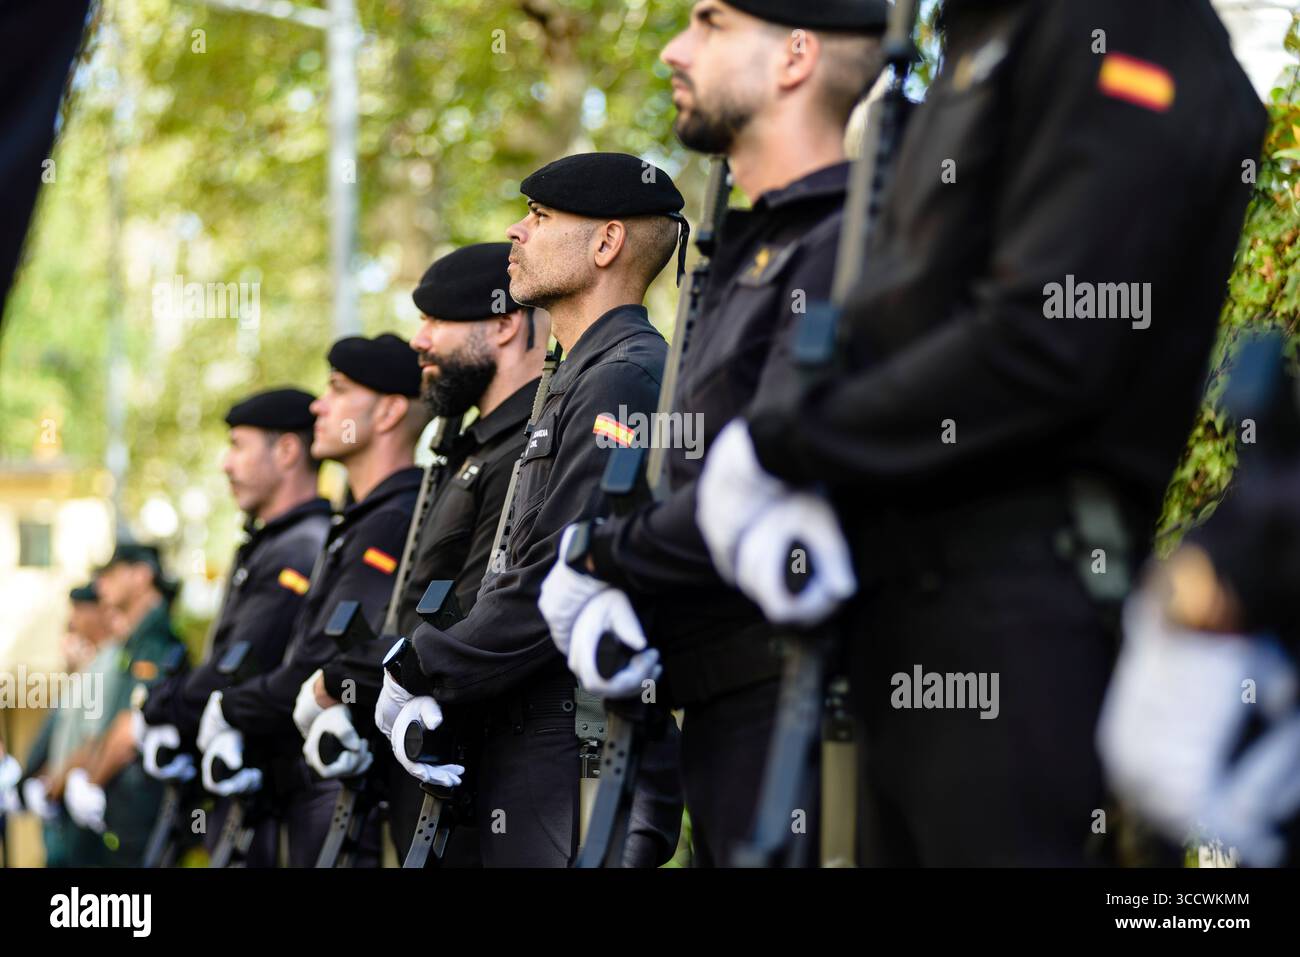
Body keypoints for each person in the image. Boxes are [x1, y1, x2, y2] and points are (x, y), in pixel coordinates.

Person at [695, 0, 1268, 865]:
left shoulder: (1125, 23)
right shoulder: (974, 41)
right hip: (904, 613)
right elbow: (905, 319)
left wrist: (789, 446)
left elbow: (1051, 334)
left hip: (1020, 611)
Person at [537, 0, 886, 866]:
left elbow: (774, 479)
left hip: (814, 722)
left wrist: (604, 563)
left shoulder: (851, 247)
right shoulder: (740, 263)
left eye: (711, 24)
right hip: (726, 721)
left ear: (796, 55)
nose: (674, 48)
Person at [378, 153, 686, 866]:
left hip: (579, 749)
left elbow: (559, 571)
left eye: (541, 217)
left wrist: (424, 665)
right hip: (535, 747)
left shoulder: (623, 377)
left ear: (606, 244)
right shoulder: (574, 378)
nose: (516, 231)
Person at [297, 243, 547, 865]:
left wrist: (337, 682)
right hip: (434, 770)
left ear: (504, 323)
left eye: (437, 321)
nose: (420, 341)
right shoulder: (463, 452)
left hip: (487, 769)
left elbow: (472, 613)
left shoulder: (530, 442)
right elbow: (413, 618)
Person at [197, 335, 427, 866]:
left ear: (390, 411)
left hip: (345, 781)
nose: (319, 406)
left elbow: (331, 655)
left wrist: (230, 707)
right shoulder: (360, 519)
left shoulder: (392, 519)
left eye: (338, 390)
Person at [138, 387, 331, 866]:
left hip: (282, 795)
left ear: (287, 450)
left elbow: (239, 664)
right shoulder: (271, 542)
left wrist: (161, 710)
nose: (226, 464)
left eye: (239, 445)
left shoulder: (300, 546)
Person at [61, 545, 187, 865]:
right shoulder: (134, 644)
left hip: (143, 810)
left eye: (112, 574)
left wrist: (91, 781)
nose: (102, 585)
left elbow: (131, 727)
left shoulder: (155, 641)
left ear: (141, 575)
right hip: (124, 809)